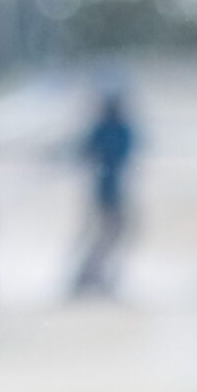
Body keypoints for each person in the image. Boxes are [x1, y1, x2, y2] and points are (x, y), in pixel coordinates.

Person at [69, 86, 136, 298]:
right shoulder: (117, 129)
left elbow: (84, 151)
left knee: (108, 233)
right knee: (111, 233)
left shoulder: (107, 128)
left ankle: (91, 276)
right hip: (109, 189)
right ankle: (91, 277)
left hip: (107, 188)